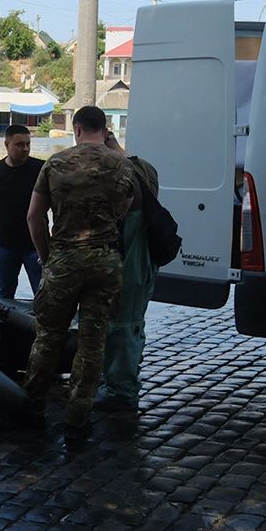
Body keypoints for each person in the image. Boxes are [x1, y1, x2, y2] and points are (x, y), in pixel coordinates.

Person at [20, 106, 134, 445]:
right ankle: (78, 413)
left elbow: (33, 217)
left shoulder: (55, 164)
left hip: (64, 260)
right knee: (93, 340)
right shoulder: (122, 165)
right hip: (105, 262)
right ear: (106, 128)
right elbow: (124, 211)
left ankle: (32, 403)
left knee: (48, 335)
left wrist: (46, 255)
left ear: (76, 128)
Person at [96, 128, 160, 414]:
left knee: (122, 327)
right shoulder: (146, 168)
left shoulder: (119, 175)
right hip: (143, 262)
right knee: (131, 326)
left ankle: (121, 390)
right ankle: (120, 383)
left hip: (129, 264)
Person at [0, 124, 45, 298]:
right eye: (19, 145)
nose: (25, 149)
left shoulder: (41, 169)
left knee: (44, 294)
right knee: (3, 294)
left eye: (28, 144)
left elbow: (57, 204)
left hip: (37, 246)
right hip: (4, 245)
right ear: (6, 145)